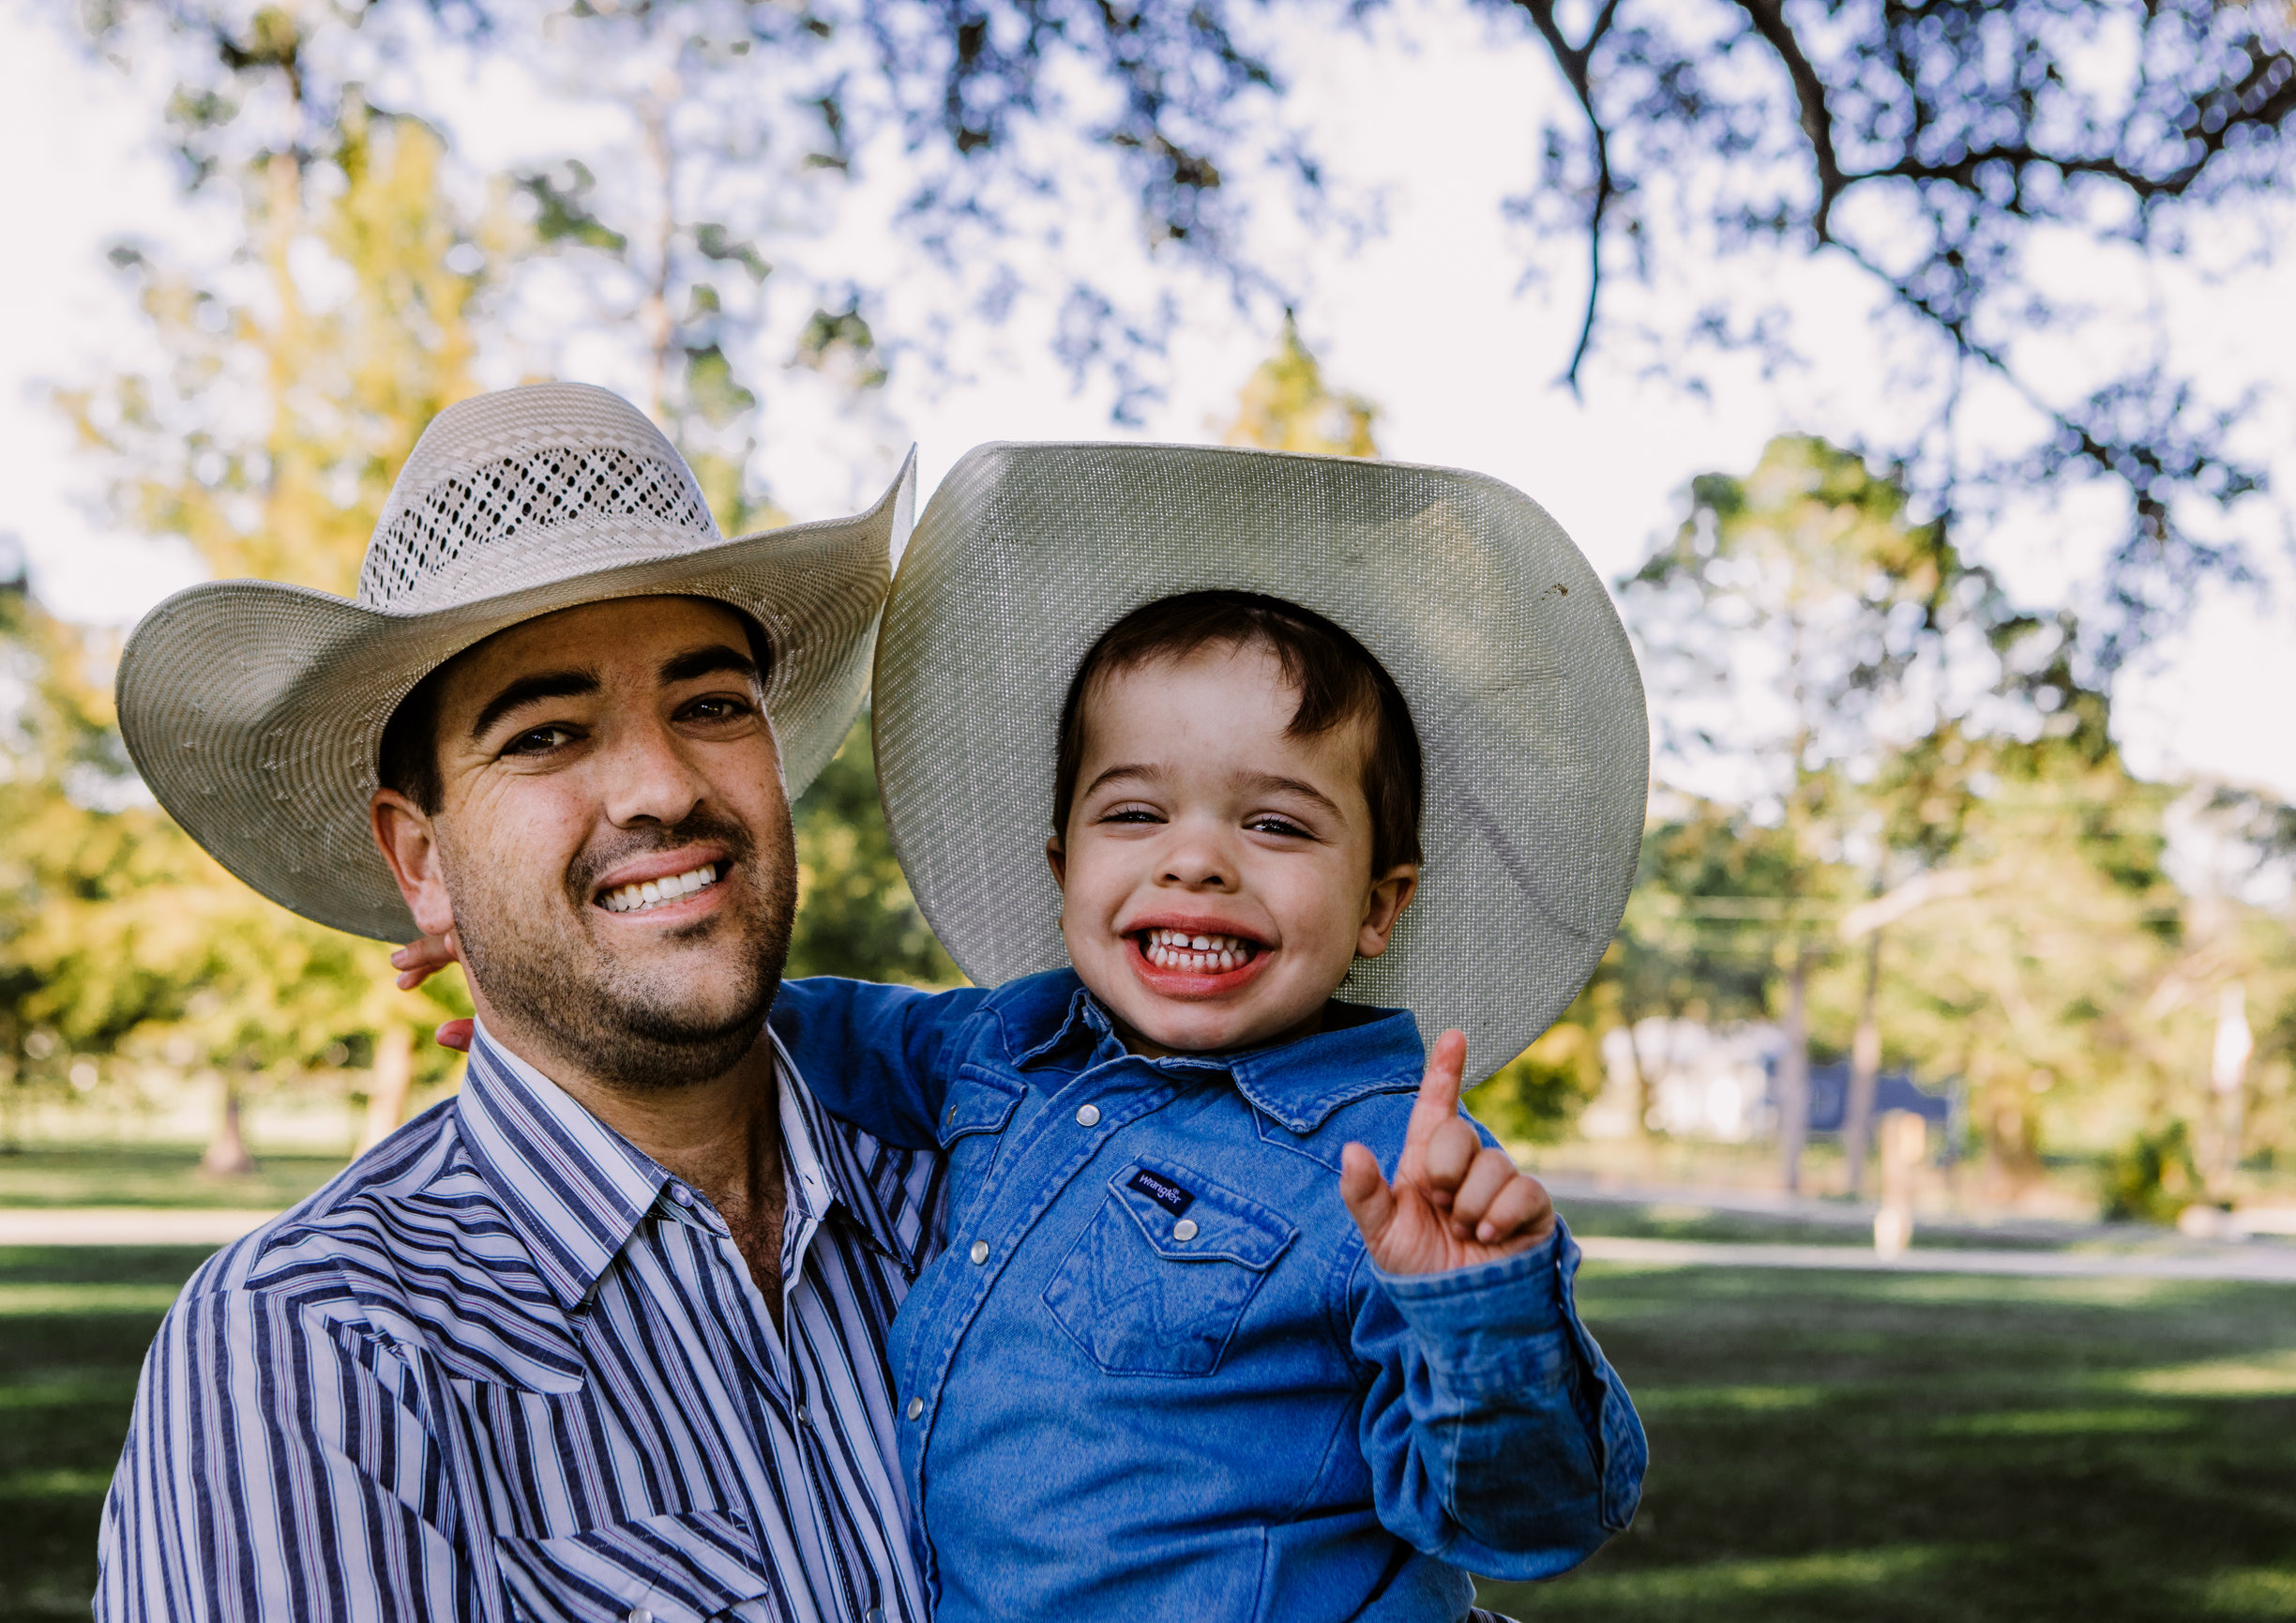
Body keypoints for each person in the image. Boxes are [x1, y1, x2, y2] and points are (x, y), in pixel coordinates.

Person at [405, 441, 1657, 1620]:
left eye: (1277, 825)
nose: (1199, 861)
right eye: (1135, 814)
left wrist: (1478, 1309)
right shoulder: (1004, 1050)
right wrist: (559, 952)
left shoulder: (1384, 1173)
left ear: (1381, 901)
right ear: (1063, 870)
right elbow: (799, 1021)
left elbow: (1518, 1517)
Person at [98, 382, 944, 1622]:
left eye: (711, 704)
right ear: (422, 863)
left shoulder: (979, 1208)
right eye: (547, 734)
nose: (661, 785)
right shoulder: (316, 1352)